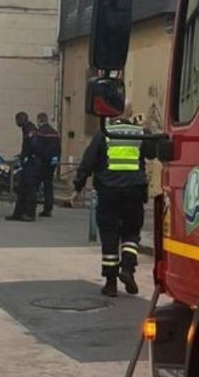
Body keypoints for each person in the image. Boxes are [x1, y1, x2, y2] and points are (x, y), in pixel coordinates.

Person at [72, 103, 149, 297]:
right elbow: (154, 152)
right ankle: (128, 270)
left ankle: (111, 283)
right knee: (131, 233)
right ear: (130, 112)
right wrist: (146, 127)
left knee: (109, 235)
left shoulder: (104, 133)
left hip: (108, 191)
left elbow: (88, 161)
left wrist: (78, 187)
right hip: (134, 191)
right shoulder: (140, 132)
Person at [6, 112, 40, 222]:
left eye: (17, 120)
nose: (16, 123)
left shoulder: (30, 129)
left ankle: (30, 214)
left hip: (32, 164)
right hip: (28, 163)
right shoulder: (26, 128)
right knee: (22, 189)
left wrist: (27, 156)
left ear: (21, 119)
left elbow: (33, 144)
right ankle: (18, 213)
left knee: (30, 189)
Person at [34, 113, 61, 218]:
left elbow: (38, 148)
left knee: (35, 185)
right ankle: (48, 208)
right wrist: (55, 159)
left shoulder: (40, 132)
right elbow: (58, 149)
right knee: (48, 186)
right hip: (52, 163)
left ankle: (31, 206)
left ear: (40, 120)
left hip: (42, 162)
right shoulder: (55, 133)